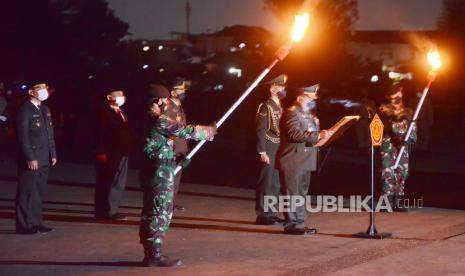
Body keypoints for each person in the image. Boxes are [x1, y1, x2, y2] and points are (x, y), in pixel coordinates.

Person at [140, 84, 216, 267]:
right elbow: (184, 130)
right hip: (159, 170)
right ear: (159, 101)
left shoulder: (154, 118)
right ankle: (154, 255)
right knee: (159, 212)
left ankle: (150, 252)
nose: (167, 104)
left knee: (153, 211)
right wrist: (209, 131)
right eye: (165, 100)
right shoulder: (159, 120)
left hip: (158, 167)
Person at [277, 84, 333, 235]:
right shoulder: (292, 113)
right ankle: (292, 224)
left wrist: (323, 134)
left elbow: (312, 135)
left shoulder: (309, 115)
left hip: (305, 159)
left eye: (313, 99)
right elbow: (294, 135)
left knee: (301, 193)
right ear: (300, 98)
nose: (312, 101)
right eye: (310, 98)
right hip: (293, 159)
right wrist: (318, 135)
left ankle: (300, 223)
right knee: (292, 193)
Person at [15, 83, 57, 234]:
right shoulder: (25, 109)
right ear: (32, 92)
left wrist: (53, 154)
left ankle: (36, 221)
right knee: (26, 191)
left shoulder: (45, 109)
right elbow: (23, 137)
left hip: (44, 157)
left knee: (38, 191)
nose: (45, 92)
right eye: (41, 90)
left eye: (46, 89)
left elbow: (49, 134)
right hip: (32, 158)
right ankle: (23, 225)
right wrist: (30, 157)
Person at [255, 74, 287, 225]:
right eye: (280, 86)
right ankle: (263, 214)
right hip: (268, 146)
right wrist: (262, 151)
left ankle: (272, 212)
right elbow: (260, 130)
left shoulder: (279, 105)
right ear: (272, 88)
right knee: (266, 181)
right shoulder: (265, 106)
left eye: (283, 86)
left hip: (278, 147)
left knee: (275, 183)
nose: (283, 89)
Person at [94, 89, 131, 220]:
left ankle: (112, 209)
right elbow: (98, 133)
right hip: (109, 154)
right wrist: (100, 151)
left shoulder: (121, 112)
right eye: (118, 95)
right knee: (106, 182)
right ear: (109, 97)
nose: (122, 97)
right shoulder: (103, 112)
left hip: (122, 153)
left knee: (118, 182)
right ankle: (103, 211)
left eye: (122, 95)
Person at [379, 84, 416, 212]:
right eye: (395, 94)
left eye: (400, 93)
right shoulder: (385, 108)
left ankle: (398, 201)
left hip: (403, 145)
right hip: (389, 145)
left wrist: (410, 138)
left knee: (402, 171)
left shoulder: (408, 110)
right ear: (389, 96)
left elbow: (412, 128)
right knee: (388, 171)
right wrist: (396, 134)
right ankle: (386, 202)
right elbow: (391, 122)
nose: (398, 96)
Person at [165, 80, 189, 211]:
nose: (183, 92)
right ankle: (264, 212)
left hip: (180, 147)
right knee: (170, 177)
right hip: (172, 147)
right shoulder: (169, 106)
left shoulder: (179, 105)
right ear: (173, 91)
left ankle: (172, 202)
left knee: (176, 178)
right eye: (181, 90)